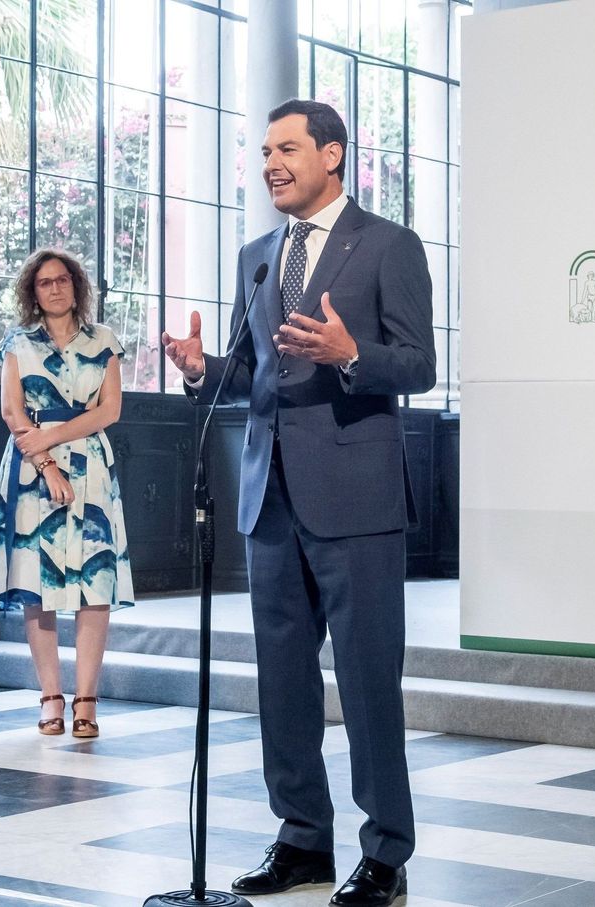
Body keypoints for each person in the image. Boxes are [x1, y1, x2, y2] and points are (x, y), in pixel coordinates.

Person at [163, 99, 435, 907]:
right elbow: (257, 379)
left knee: (365, 681)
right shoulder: (258, 255)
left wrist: (354, 354)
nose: (270, 163)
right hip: (269, 502)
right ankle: (302, 840)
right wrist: (202, 368)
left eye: (287, 148)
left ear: (333, 155)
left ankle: (386, 852)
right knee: (282, 684)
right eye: (264, 151)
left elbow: (417, 365)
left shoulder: (388, 244)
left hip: (356, 500)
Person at [0, 249, 134, 739]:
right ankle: (50, 699)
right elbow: (11, 412)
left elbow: (109, 412)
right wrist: (44, 459)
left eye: (63, 279)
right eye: (45, 282)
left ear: (76, 286)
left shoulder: (103, 339)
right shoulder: (17, 343)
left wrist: (53, 437)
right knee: (34, 587)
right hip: (31, 469)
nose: (55, 288)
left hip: (89, 468)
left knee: (94, 584)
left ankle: (87, 701)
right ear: (32, 292)